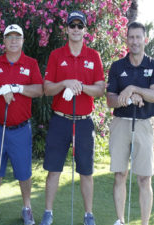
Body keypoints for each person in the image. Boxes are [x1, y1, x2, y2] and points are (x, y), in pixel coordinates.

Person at [39, 11, 105, 225]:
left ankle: (88, 215)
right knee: (54, 169)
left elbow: (101, 89)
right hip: (60, 120)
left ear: (85, 30)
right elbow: (47, 88)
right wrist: (65, 83)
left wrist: (81, 87)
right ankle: (48, 213)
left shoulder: (93, 56)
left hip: (84, 122)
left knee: (86, 171)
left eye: (80, 25)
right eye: (72, 25)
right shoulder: (56, 56)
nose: (76, 29)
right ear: (66, 29)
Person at [0, 24, 43, 225]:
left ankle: (27, 208)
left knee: (24, 172)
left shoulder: (31, 63)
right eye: (10, 37)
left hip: (21, 129)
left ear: (23, 41)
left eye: (17, 37)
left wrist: (17, 88)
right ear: (4, 41)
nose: (14, 41)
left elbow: (39, 90)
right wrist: (1, 90)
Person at [107, 22, 154, 225]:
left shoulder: (152, 64)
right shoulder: (117, 66)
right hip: (121, 124)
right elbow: (110, 100)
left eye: (138, 37)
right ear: (126, 40)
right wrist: (127, 98)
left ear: (145, 39)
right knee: (120, 174)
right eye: (131, 37)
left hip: (144, 124)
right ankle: (120, 220)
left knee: (144, 178)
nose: (134, 41)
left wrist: (133, 89)